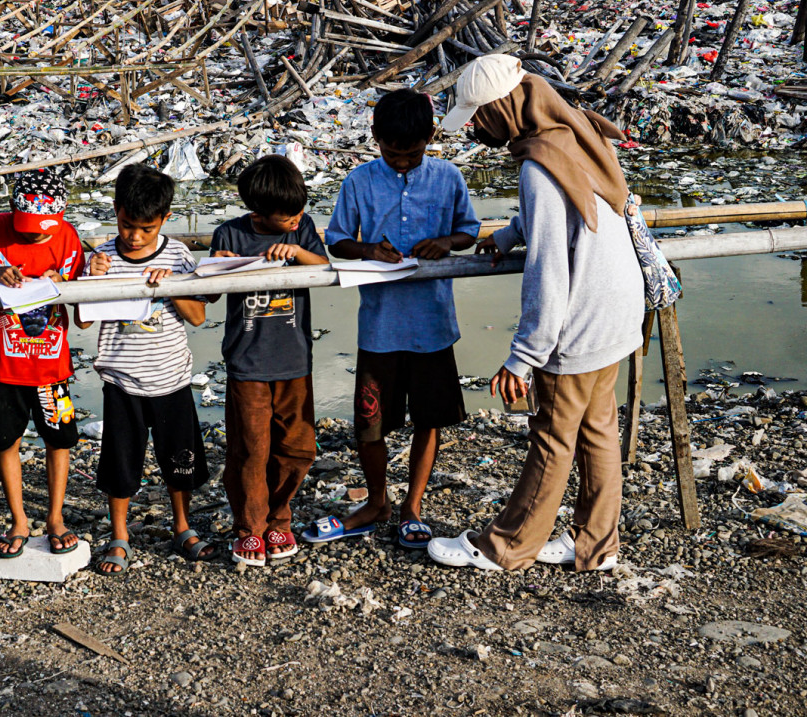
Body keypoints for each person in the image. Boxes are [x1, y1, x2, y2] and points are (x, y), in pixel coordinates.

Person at [427, 55, 643, 572]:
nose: (475, 126)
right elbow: (566, 213)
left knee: (551, 436)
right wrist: (508, 235)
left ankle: (506, 547)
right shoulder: (575, 133)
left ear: (504, 108)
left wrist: (523, 357)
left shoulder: (537, 169)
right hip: (617, 310)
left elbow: (549, 272)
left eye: (478, 116)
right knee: (598, 432)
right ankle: (596, 546)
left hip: (581, 320)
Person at [316, 89, 480, 550]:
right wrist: (369, 250)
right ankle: (377, 500)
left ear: (430, 138)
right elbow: (338, 239)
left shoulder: (448, 178)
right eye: (393, 154)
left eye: (412, 154)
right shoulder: (359, 181)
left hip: (432, 324)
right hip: (380, 326)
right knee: (370, 423)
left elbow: (468, 231)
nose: (403, 162)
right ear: (375, 140)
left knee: (430, 420)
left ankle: (413, 506)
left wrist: (445, 242)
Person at [75, 165, 216, 576]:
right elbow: (83, 321)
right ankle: (119, 535)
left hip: (171, 379)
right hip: (121, 381)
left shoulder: (177, 256)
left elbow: (198, 317)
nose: (134, 236)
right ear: (116, 211)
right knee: (120, 465)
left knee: (180, 460)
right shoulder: (100, 259)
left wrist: (170, 285)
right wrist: (89, 277)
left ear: (165, 220)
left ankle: (183, 526)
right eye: (127, 225)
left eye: (146, 229)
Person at [0, 169, 85, 559]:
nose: (36, 237)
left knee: (58, 440)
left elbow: (82, 290)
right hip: (1, 365)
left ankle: (56, 518)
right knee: (5, 441)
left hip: (50, 367)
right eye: (29, 231)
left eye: (43, 231)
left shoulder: (67, 236)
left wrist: (64, 278)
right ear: (12, 211)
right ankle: (18, 520)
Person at [212, 154, 329, 567]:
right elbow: (208, 288)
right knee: (250, 449)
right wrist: (221, 267)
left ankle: (281, 518)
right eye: (286, 217)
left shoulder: (303, 229)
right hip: (248, 363)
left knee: (297, 447)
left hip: (295, 360)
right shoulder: (231, 233)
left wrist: (296, 250)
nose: (295, 219)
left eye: (299, 212)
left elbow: (325, 266)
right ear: (258, 212)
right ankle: (250, 528)